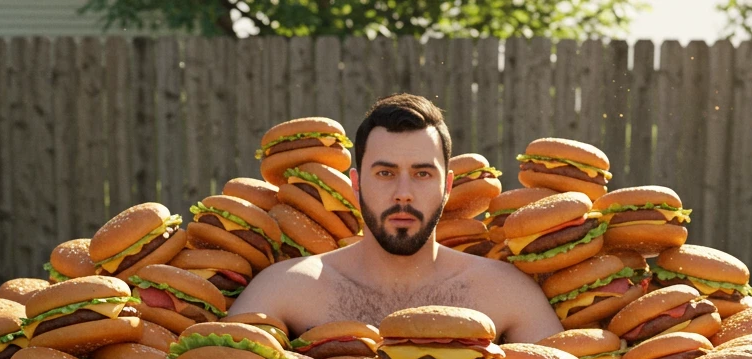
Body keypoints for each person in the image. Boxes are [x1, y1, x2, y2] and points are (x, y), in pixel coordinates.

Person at [230, 94, 563, 344]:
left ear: (447, 187)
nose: (403, 193)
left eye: (422, 174)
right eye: (385, 173)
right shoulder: (287, 286)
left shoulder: (506, 291)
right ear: (356, 184)